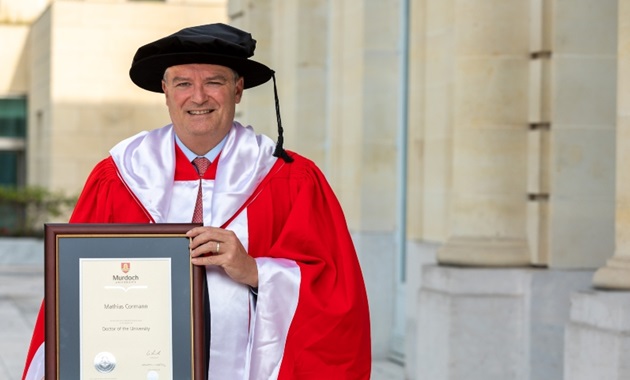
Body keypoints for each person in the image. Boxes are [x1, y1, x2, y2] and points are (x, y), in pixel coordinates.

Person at [22, 23, 371, 379]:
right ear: (165, 90)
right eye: (183, 83)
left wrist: (254, 271)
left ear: (237, 90)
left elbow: (337, 298)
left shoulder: (290, 180)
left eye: (214, 82)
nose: (199, 97)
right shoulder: (119, 177)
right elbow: (73, 293)